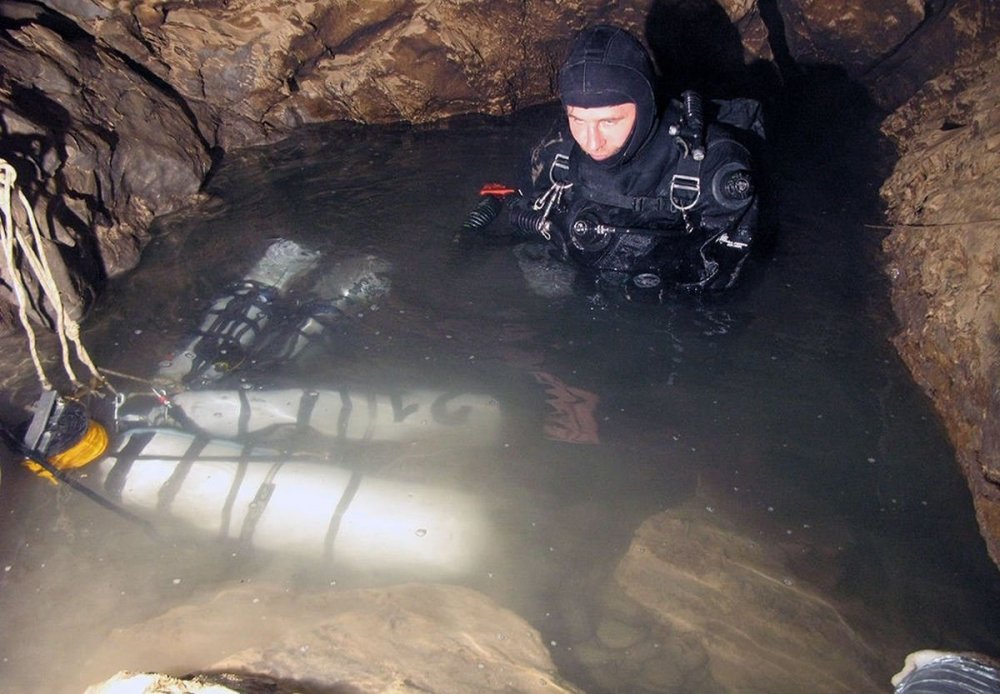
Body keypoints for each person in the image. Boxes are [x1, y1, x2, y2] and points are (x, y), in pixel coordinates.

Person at [466, 24, 766, 296]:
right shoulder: (557, 150)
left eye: (608, 122)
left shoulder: (714, 170)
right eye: (577, 119)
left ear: (644, 105)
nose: (591, 141)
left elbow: (724, 288)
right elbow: (524, 212)